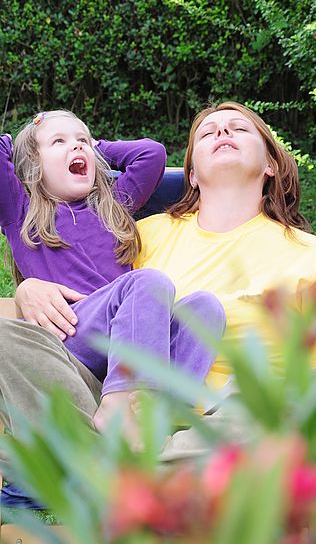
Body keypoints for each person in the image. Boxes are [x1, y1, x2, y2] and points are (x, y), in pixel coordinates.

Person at [1, 101, 316, 458]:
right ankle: (143, 456)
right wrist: (26, 290)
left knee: (209, 319)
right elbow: (70, 291)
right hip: (103, 393)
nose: (223, 130)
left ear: (271, 164)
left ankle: (133, 461)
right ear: (192, 173)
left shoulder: (309, 254)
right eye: (208, 132)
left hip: (222, 413)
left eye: (239, 128)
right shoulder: (137, 233)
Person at [0, 111, 225, 447]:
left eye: (82, 141)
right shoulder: (22, 211)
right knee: (149, 283)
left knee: (206, 308)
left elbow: (151, 154)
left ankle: (153, 416)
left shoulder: (112, 205)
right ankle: (119, 406)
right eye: (58, 142)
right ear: (32, 165)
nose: (76, 147)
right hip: (73, 334)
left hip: (131, 341)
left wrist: (96, 146)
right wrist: (32, 132)